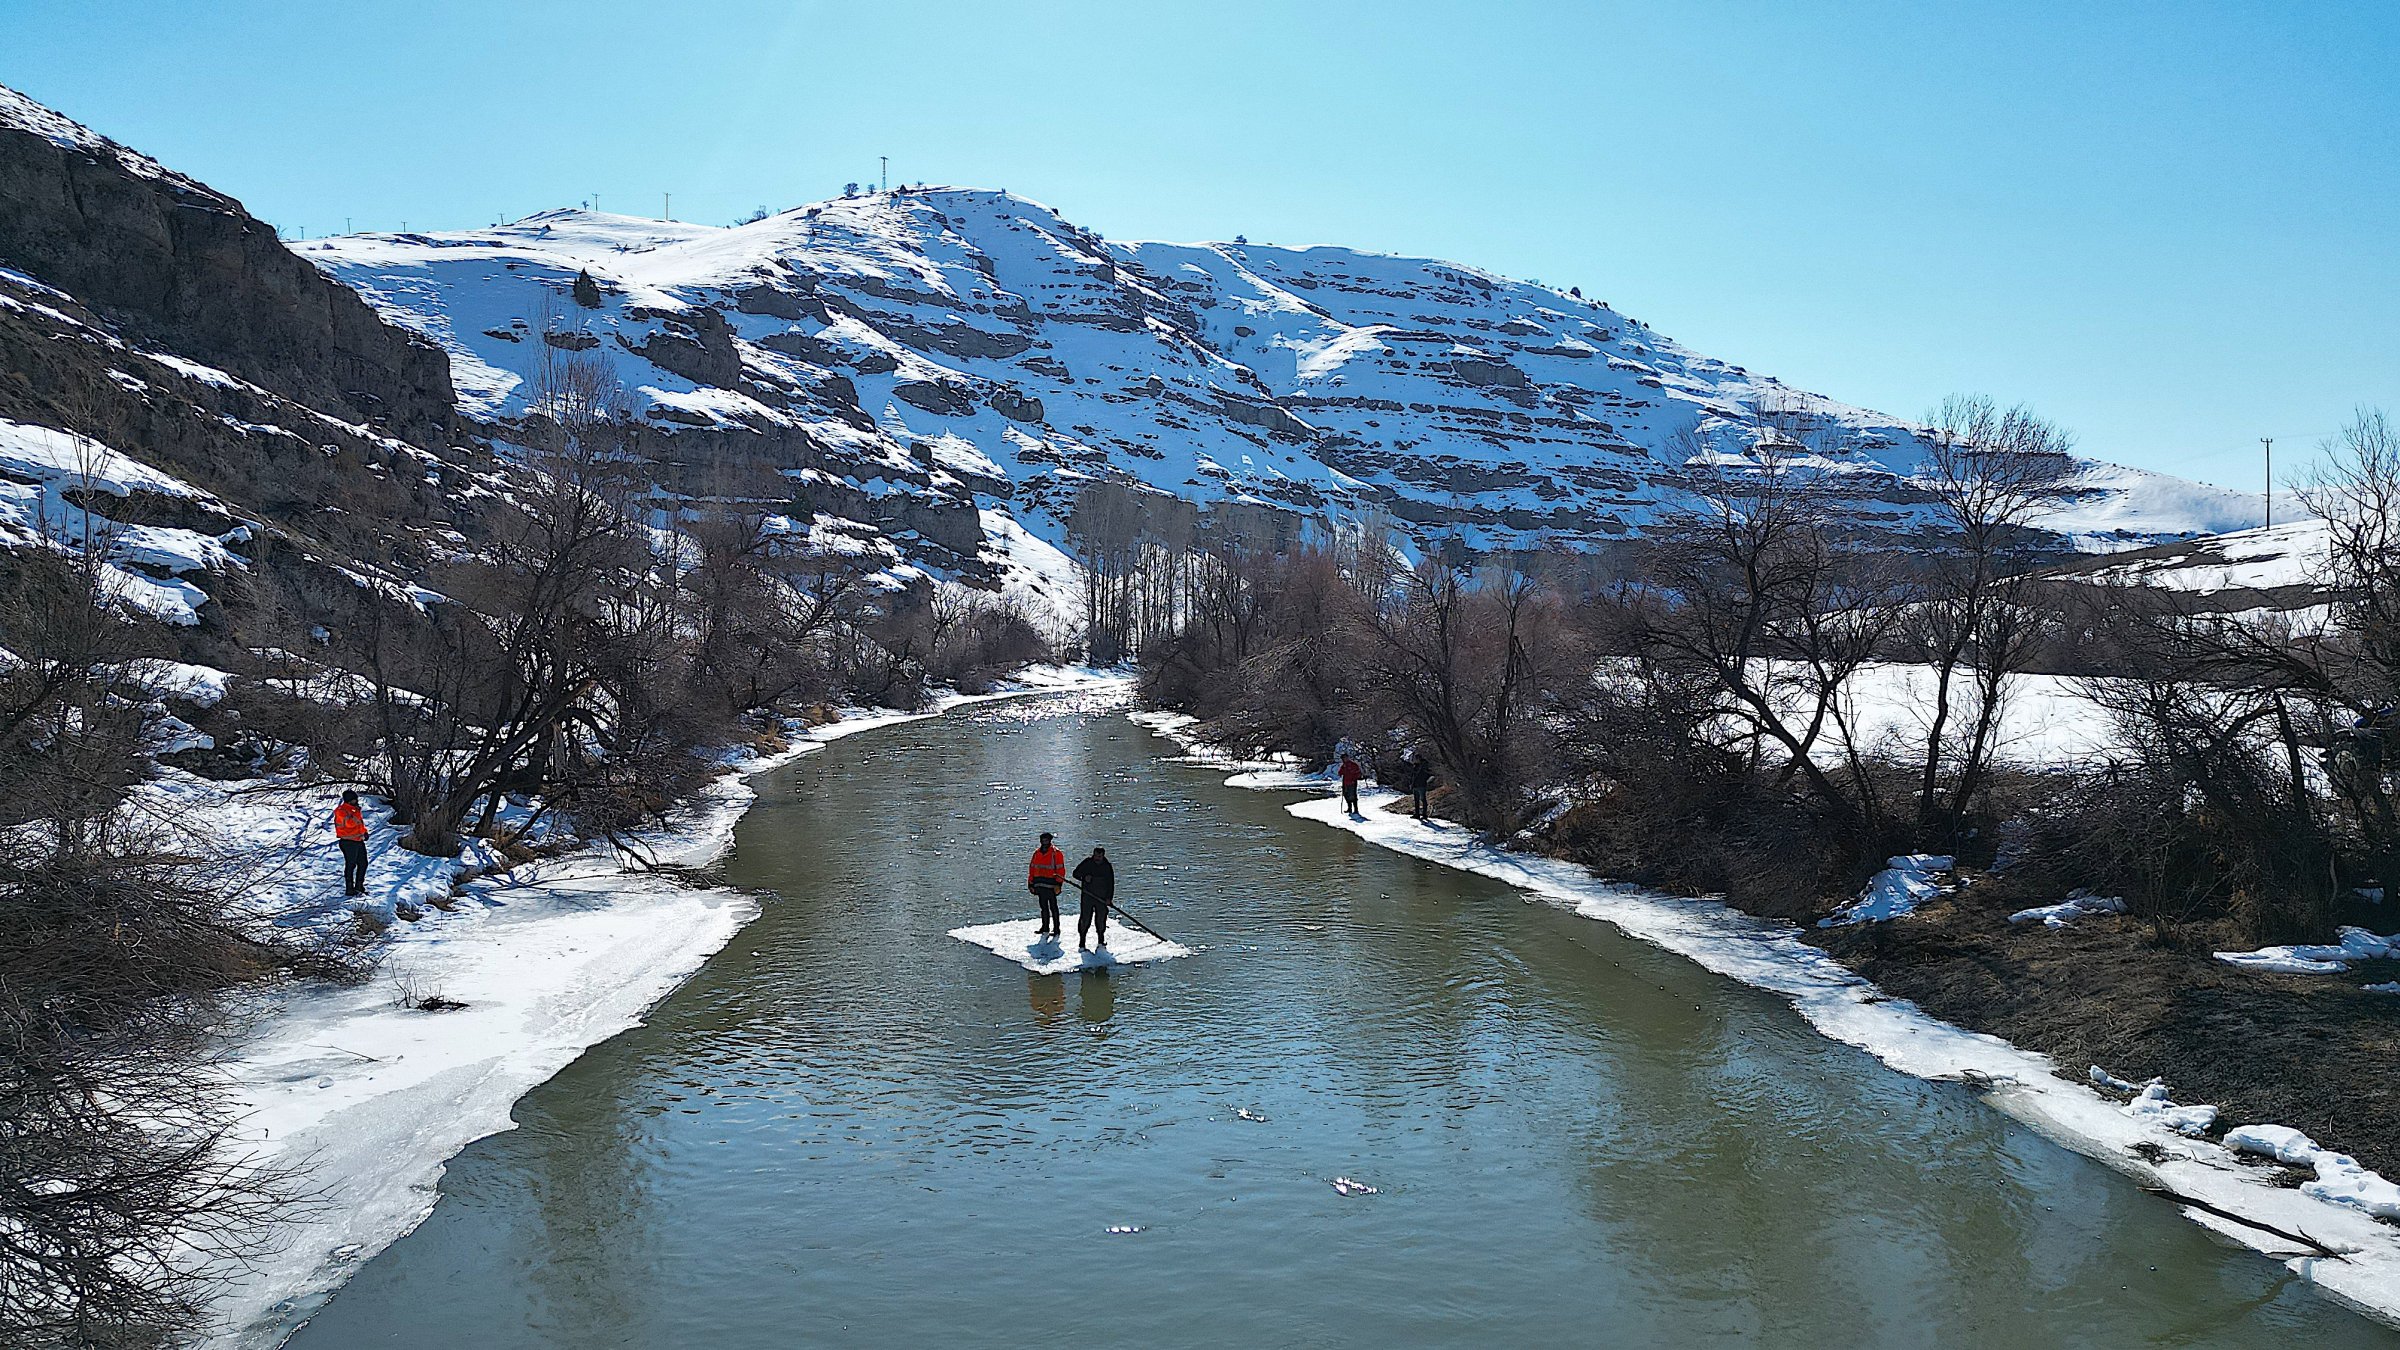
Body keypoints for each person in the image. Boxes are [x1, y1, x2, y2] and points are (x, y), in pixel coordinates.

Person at [1071, 846, 1114, 949]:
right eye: (1096, 856)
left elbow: (1111, 883)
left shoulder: (1107, 866)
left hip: (1102, 898)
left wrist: (1109, 898)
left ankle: (1101, 941)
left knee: (1101, 920)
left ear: (1103, 856)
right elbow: (1075, 874)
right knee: (1085, 920)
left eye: (1099, 856)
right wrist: (1084, 877)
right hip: (1087, 896)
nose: (1097, 858)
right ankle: (1082, 942)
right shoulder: (1087, 863)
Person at [1027, 831, 1067, 938]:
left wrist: (1059, 884)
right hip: (1040, 885)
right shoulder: (1037, 853)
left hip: (1052, 885)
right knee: (1043, 907)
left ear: (1050, 840)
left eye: (1046, 840)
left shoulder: (1056, 853)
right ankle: (1045, 927)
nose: (1044, 842)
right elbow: (1032, 868)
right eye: (1042, 840)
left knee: (1053, 907)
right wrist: (1030, 883)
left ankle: (1056, 929)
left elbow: (1061, 869)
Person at [333, 789, 370, 897]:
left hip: (358, 840)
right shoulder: (341, 811)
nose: (356, 801)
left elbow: (359, 824)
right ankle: (349, 888)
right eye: (354, 800)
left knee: (363, 863)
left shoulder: (354, 810)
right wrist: (356, 812)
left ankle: (359, 885)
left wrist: (365, 832)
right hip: (347, 842)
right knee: (351, 864)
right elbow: (350, 824)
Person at [1404, 752, 1434, 820]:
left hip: (1422, 785)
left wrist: (1426, 781)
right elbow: (1412, 776)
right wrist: (1411, 783)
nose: (1415, 760)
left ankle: (1424, 814)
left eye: (1416, 759)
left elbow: (1430, 774)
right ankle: (1417, 814)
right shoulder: (1415, 766)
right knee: (1416, 800)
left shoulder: (1424, 766)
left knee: (1423, 800)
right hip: (1415, 785)